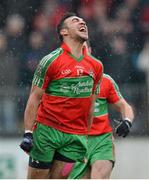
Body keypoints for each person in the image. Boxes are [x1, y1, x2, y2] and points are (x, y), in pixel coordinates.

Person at [19, 12, 103, 179]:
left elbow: (91, 105)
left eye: (83, 21)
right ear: (64, 32)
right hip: (47, 132)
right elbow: (34, 98)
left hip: (74, 136)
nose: (82, 22)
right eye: (76, 21)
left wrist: (87, 137)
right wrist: (28, 133)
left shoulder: (96, 66)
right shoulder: (50, 60)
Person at [49, 43, 134, 179]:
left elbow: (125, 106)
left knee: (97, 177)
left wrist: (127, 121)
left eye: (84, 48)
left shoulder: (105, 80)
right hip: (76, 142)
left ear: (90, 51)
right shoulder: (64, 82)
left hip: (102, 140)